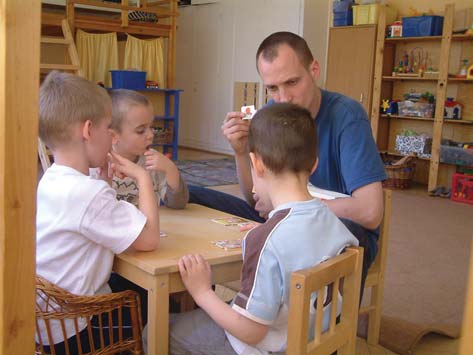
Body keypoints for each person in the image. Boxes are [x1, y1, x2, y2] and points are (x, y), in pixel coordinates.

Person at [160, 103, 359, 355]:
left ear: (256, 163)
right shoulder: (335, 223)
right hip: (307, 337)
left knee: (160, 330)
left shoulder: (265, 239)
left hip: (262, 347)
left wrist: (201, 292)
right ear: (314, 164)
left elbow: (251, 331)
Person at [189, 31, 386, 273]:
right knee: (190, 195)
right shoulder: (272, 115)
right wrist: (241, 151)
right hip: (281, 219)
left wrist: (287, 208)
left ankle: (309, 309)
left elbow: (369, 212)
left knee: (335, 236)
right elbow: (255, 200)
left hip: (337, 229)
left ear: (314, 70)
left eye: (292, 82)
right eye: (272, 88)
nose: (284, 98)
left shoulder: (347, 117)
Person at [36, 71, 160, 354]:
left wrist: (103, 183)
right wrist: (142, 179)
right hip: (76, 330)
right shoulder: (89, 193)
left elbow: (86, 219)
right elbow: (150, 240)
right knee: (156, 297)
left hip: (46, 321)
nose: (112, 136)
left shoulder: (51, 178)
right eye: (109, 128)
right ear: (88, 130)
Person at [109, 89, 188, 209]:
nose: (151, 135)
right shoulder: (100, 164)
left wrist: (170, 169)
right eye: (141, 130)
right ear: (113, 136)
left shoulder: (153, 161)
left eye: (151, 127)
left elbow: (177, 204)